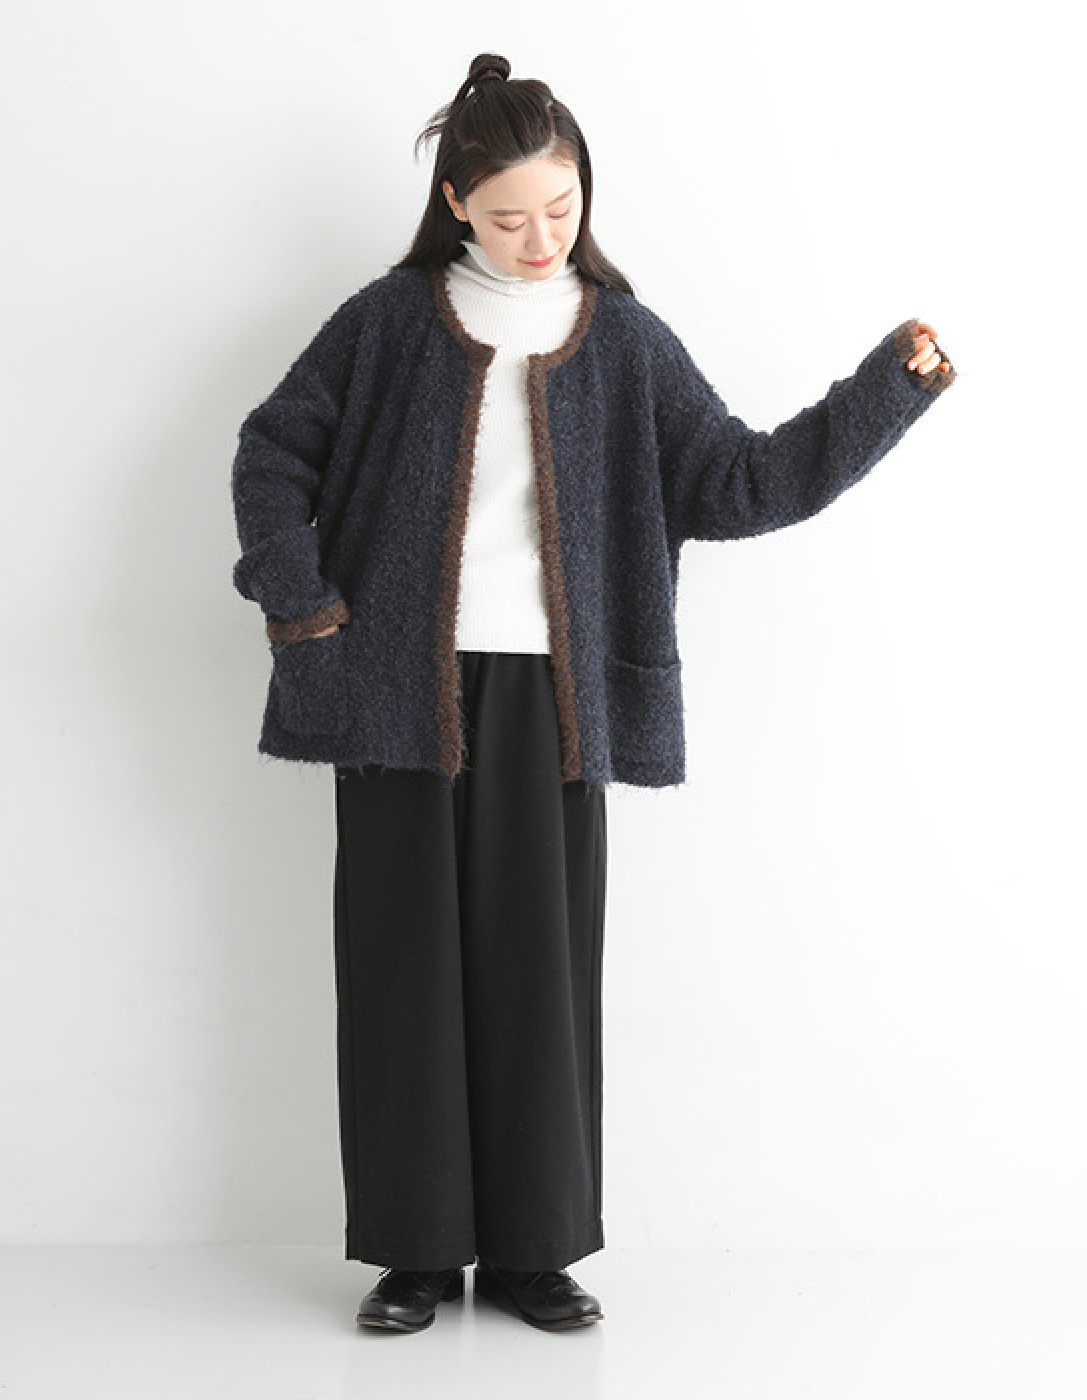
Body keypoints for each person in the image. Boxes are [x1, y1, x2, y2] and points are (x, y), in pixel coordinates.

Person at [228, 52, 956, 1335]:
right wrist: (305, 604)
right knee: (402, 973)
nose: (539, 238)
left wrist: (884, 394)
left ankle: (533, 1251)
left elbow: (740, 482)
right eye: (509, 215)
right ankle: (413, 1251)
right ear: (455, 201)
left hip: (556, 702)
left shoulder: (623, 339)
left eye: (560, 209)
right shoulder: (387, 321)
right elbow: (272, 449)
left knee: (540, 977)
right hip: (393, 690)